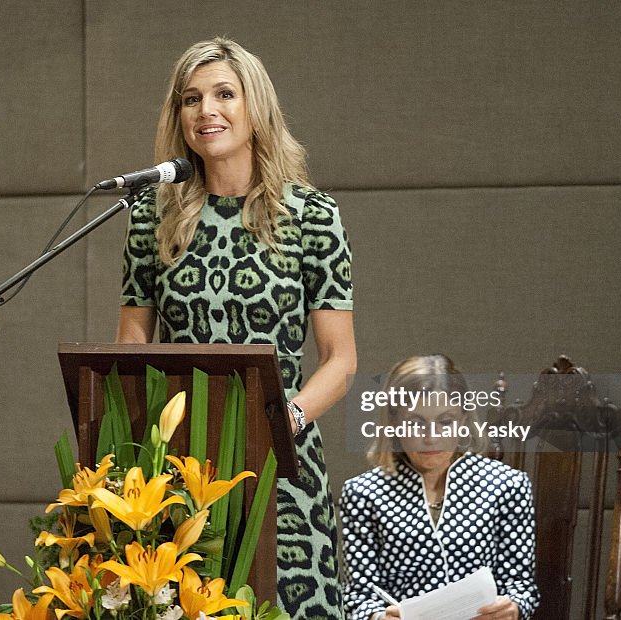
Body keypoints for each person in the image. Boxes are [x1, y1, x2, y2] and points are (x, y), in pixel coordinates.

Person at [116, 37, 355, 619]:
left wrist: (284, 417)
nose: (206, 111)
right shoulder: (153, 214)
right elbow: (130, 342)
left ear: (257, 108)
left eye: (225, 94)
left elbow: (339, 360)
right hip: (180, 467)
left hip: (281, 465)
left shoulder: (312, 216)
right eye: (191, 99)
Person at [340, 355, 538, 620]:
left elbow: (522, 589)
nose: (431, 438)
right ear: (394, 421)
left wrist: (513, 608)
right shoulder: (362, 494)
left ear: (464, 419)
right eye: (416, 422)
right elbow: (356, 597)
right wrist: (377, 618)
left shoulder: (508, 486)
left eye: (445, 422)